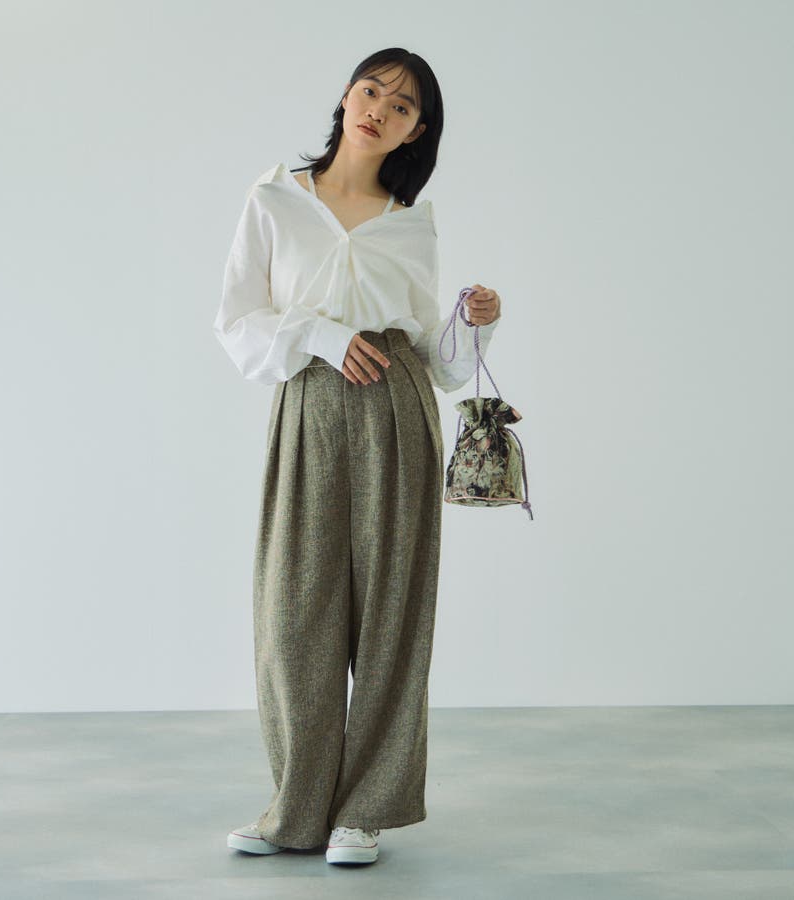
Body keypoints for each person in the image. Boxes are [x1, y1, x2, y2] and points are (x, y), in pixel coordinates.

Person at [214, 48, 502, 866]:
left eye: (402, 106)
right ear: (346, 96)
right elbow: (237, 323)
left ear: (416, 131)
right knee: (293, 613)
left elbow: (438, 360)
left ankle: (365, 809)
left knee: (391, 615)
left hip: (397, 410)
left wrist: (474, 322)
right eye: (372, 90)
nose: (380, 108)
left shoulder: (412, 222)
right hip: (308, 405)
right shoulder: (275, 198)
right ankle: (297, 807)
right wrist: (323, 336)